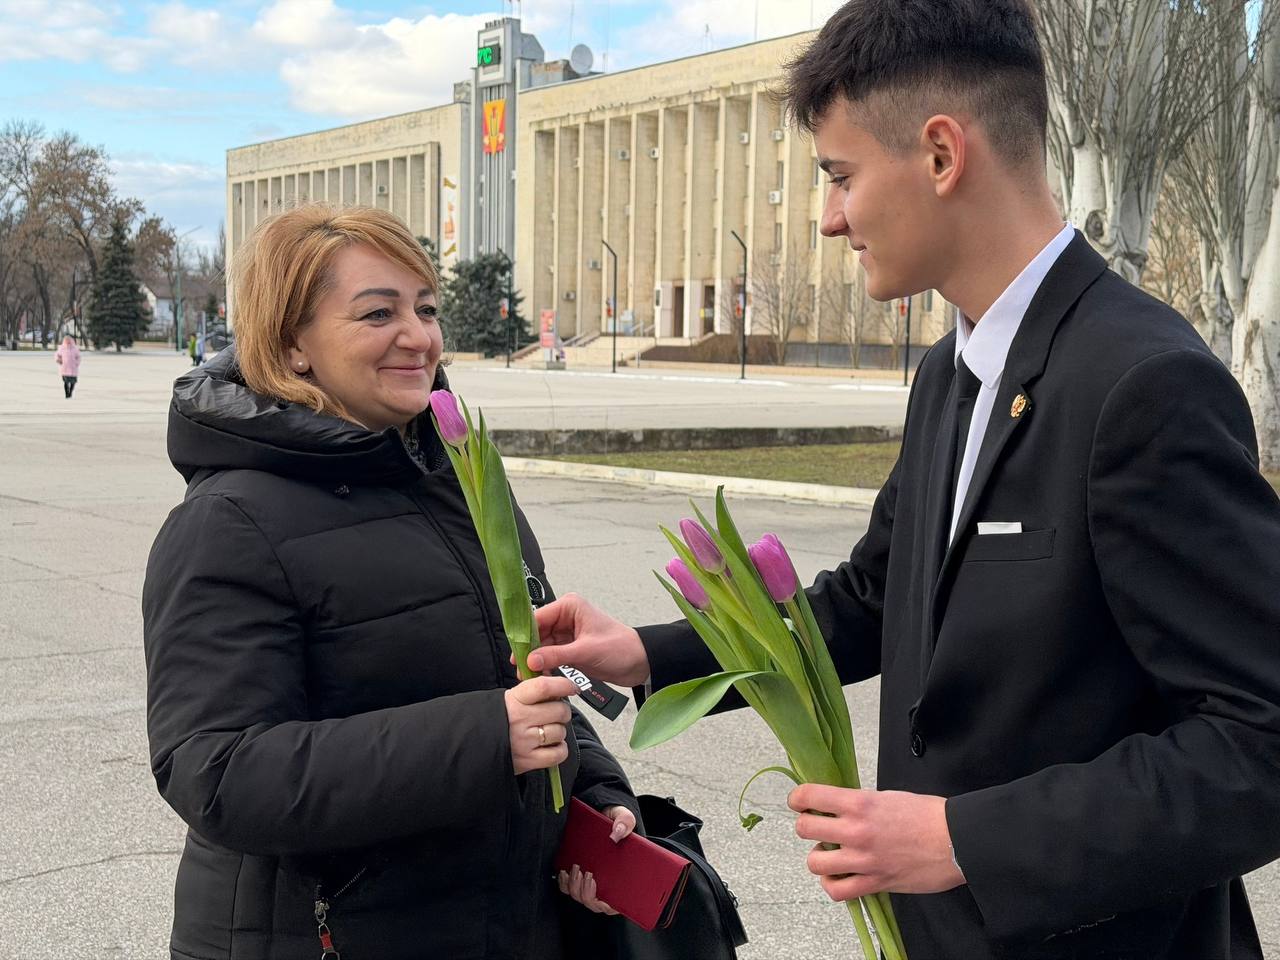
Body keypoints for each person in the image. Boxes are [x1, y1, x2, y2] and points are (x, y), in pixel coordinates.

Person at [527, 1, 1280, 958]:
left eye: (841, 176)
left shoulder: (1143, 385)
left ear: (941, 154)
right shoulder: (947, 373)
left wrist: (966, 840)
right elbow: (874, 599)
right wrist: (645, 653)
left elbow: (1260, 742)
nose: (829, 217)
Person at [142, 204, 638, 960]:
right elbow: (214, 771)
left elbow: (527, 678)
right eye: (379, 313)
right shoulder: (229, 521)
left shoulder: (463, 483)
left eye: (426, 308)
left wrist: (595, 793)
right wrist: (484, 737)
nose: (419, 336)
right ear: (293, 344)